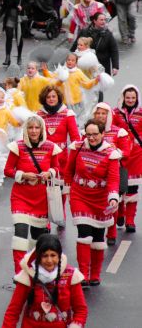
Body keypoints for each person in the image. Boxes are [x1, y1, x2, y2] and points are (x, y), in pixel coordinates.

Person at [65, 119, 120, 287]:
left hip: (100, 199)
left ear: (103, 134)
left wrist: (113, 197)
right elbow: (68, 170)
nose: (92, 138)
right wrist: (67, 190)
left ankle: (95, 274)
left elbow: (113, 179)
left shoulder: (111, 153)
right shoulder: (78, 147)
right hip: (79, 195)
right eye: (88, 135)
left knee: (97, 237)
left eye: (95, 134)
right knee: (84, 234)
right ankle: (83, 274)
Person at [4, 115, 61, 273]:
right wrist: (22, 175)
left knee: (38, 238)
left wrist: (49, 173)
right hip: (21, 197)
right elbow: (7, 170)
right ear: (25, 130)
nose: (34, 131)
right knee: (20, 234)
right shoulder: (18, 147)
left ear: (42, 129)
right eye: (30, 128)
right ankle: (20, 273)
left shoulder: (51, 147)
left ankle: (34, 270)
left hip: (41, 198)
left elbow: (57, 168)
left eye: (37, 128)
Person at [2, 234, 88, 328]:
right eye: (45, 256)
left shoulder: (70, 276)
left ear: (59, 256)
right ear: (38, 256)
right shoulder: (28, 275)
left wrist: (76, 325)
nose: (49, 260)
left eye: (53, 255)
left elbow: (81, 310)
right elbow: (13, 312)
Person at [37, 85, 80, 221]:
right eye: (48, 97)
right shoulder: (39, 115)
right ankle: (46, 220)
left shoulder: (68, 114)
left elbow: (75, 138)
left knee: (60, 188)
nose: (51, 99)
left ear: (58, 98)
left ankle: (60, 214)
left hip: (62, 159)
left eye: (53, 96)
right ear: (44, 98)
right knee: (44, 189)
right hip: (43, 158)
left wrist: (76, 159)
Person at [92, 102, 131, 245]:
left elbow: (126, 153)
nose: (101, 116)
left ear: (109, 115)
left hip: (115, 171)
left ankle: (112, 233)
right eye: (98, 113)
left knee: (113, 201)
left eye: (104, 113)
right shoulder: (88, 132)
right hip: (96, 173)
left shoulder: (118, 132)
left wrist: (115, 151)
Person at [113, 85, 142, 233]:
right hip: (121, 155)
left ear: (137, 98)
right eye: (127, 97)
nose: (130, 100)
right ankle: (120, 213)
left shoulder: (141, 113)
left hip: (136, 155)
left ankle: (130, 220)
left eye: (133, 98)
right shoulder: (116, 113)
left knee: (132, 188)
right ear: (123, 98)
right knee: (119, 187)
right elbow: (111, 129)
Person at [0, 0, 24, 66]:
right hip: (9, 17)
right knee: (9, 37)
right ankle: (7, 57)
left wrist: (22, 8)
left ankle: (19, 57)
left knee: (19, 38)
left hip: (18, 19)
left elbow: (27, 5)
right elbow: (4, 6)